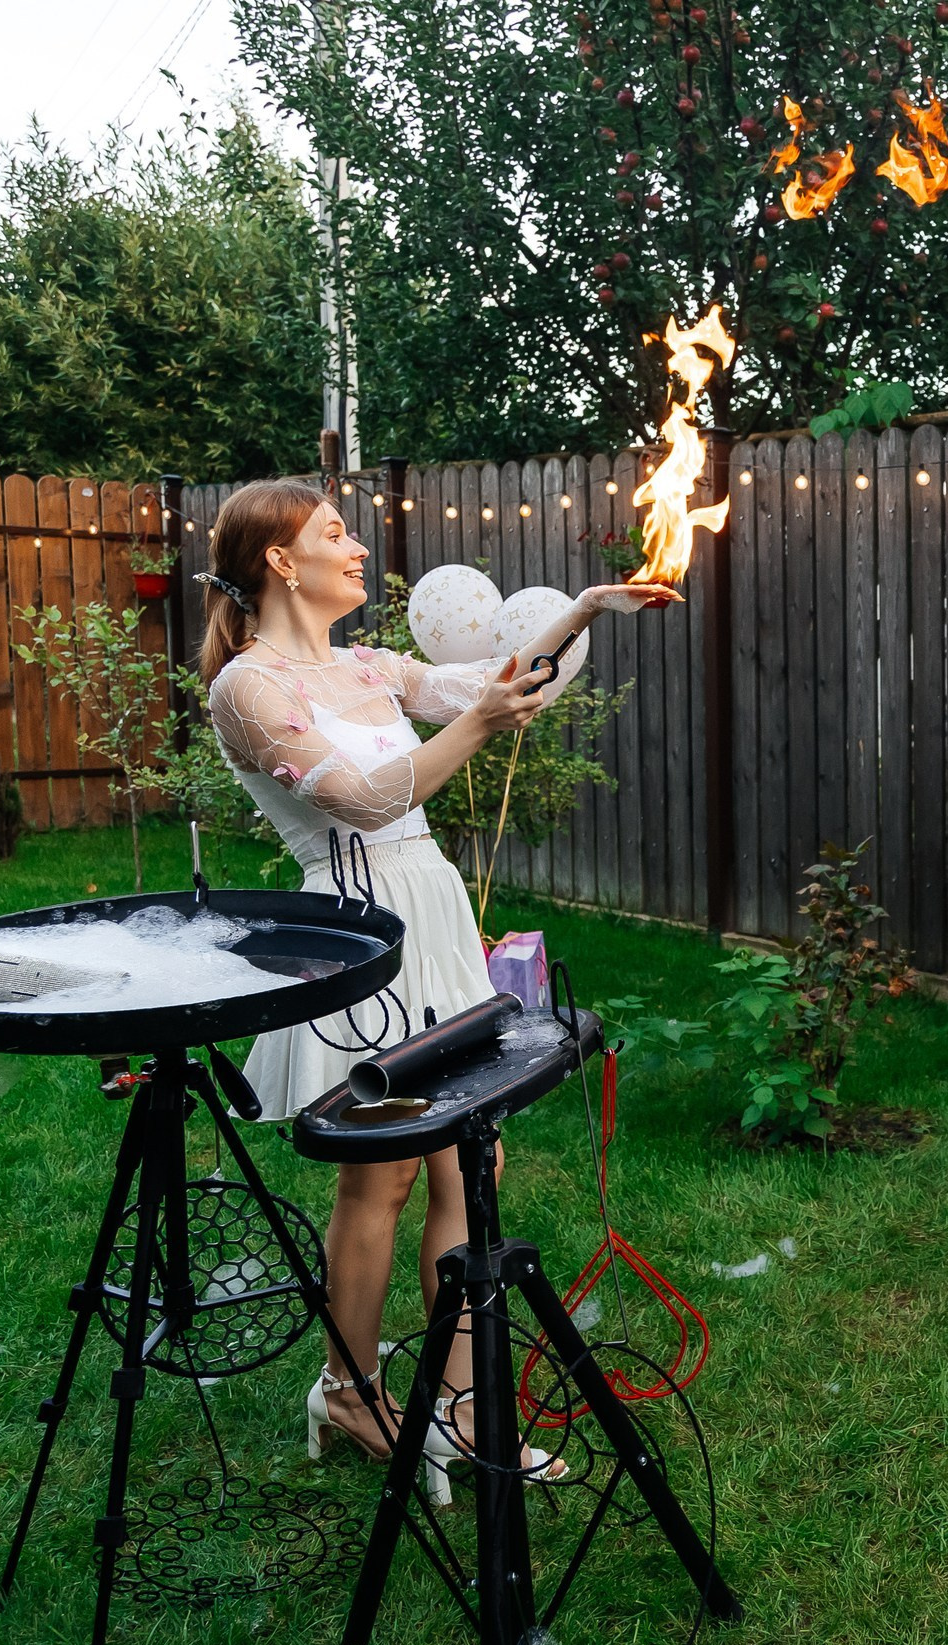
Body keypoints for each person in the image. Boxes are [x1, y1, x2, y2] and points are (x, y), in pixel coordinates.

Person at [195, 478, 677, 1480]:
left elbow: (505, 684)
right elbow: (368, 799)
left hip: (435, 921)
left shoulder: (367, 665)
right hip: (356, 937)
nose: (357, 547)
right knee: (383, 1174)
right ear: (281, 561)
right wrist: (479, 725)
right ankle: (348, 1391)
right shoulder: (247, 688)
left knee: (474, 1166)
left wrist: (584, 610)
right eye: (336, 533)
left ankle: (460, 1408)